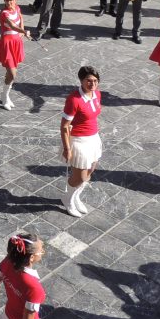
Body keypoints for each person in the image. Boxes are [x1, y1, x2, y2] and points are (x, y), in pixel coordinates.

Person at [60, 66, 103, 218]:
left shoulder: (97, 94)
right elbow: (64, 126)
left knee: (91, 170)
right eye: (89, 81)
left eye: (95, 81)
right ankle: (68, 199)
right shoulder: (74, 100)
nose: (93, 84)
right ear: (81, 81)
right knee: (81, 176)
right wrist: (67, 148)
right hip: (78, 140)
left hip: (93, 137)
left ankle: (75, 196)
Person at [0, 232, 46, 319]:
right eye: (41, 250)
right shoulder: (34, 288)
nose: (42, 251)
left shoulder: (8, 262)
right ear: (32, 257)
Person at [0, 0, 30, 111]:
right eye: (6, 0)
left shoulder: (17, 8)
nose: (8, 3)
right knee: (13, 73)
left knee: (11, 72)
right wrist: (24, 31)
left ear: (15, 0)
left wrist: (22, 32)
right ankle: (4, 96)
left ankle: (6, 95)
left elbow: (21, 18)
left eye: (11, 0)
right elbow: (13, 26)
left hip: (16, 43)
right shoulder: (4, 13)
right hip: (7, 44)